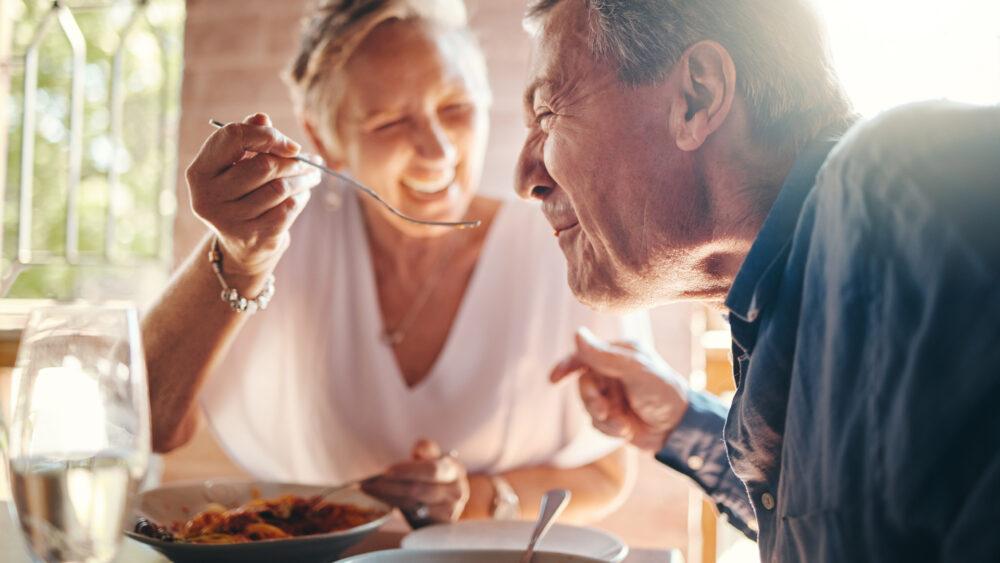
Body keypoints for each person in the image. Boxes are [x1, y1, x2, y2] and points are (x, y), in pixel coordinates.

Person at [516, 0, 1000, 560]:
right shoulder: (786, 298)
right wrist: (681, 426)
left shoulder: (901, 195)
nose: (525, 178)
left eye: (548, 114)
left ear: (697, 97)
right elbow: (849, 516)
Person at [142, 0, 648, 525]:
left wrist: (471, 499)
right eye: (389, 122)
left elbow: (607, 475)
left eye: (455, 107)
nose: (436, 150)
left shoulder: (561, 243)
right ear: (324, 139)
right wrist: (239, 255)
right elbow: (154, 423)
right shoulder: (275, 229)